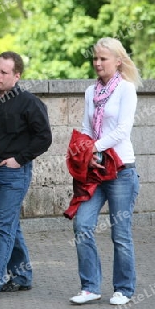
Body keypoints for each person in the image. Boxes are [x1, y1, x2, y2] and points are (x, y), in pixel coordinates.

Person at [68, 37, 142, 305]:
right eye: (95, 58)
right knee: (82, 225)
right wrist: (85, 151)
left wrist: (94, 149)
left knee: (120, 234)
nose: (97, 63)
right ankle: (90, 287)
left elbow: (122, 130)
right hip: (95, 172)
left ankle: (124, 289)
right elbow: (87, 128)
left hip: (122, 170)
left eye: (103, 59)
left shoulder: (126, 89)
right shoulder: (90, 92)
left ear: (118, 61)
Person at [0, 51, 52, 297]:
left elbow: (44, 137)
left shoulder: (29, 102)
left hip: (14, 175)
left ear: (16, 76)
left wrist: (19, 159)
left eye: (3, 72)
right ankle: (21, 275)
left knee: (2, 227)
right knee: (7, 226)